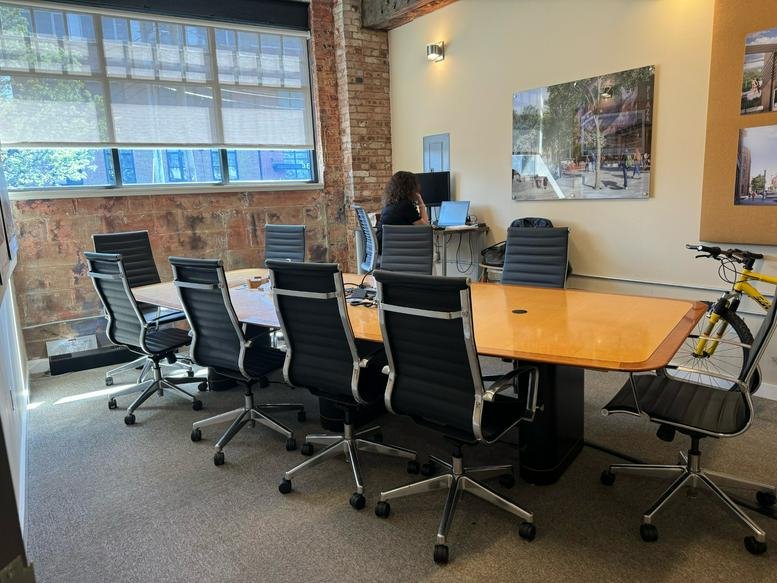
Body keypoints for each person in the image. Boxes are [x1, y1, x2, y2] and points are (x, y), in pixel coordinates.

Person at [376, 171, 429, 253]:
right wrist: (421, 203)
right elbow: (425, 228)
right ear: (411, 187)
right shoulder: (406, 205)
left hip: (385, 249)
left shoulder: (389, 205)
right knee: (429, 249)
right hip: (397, 251)